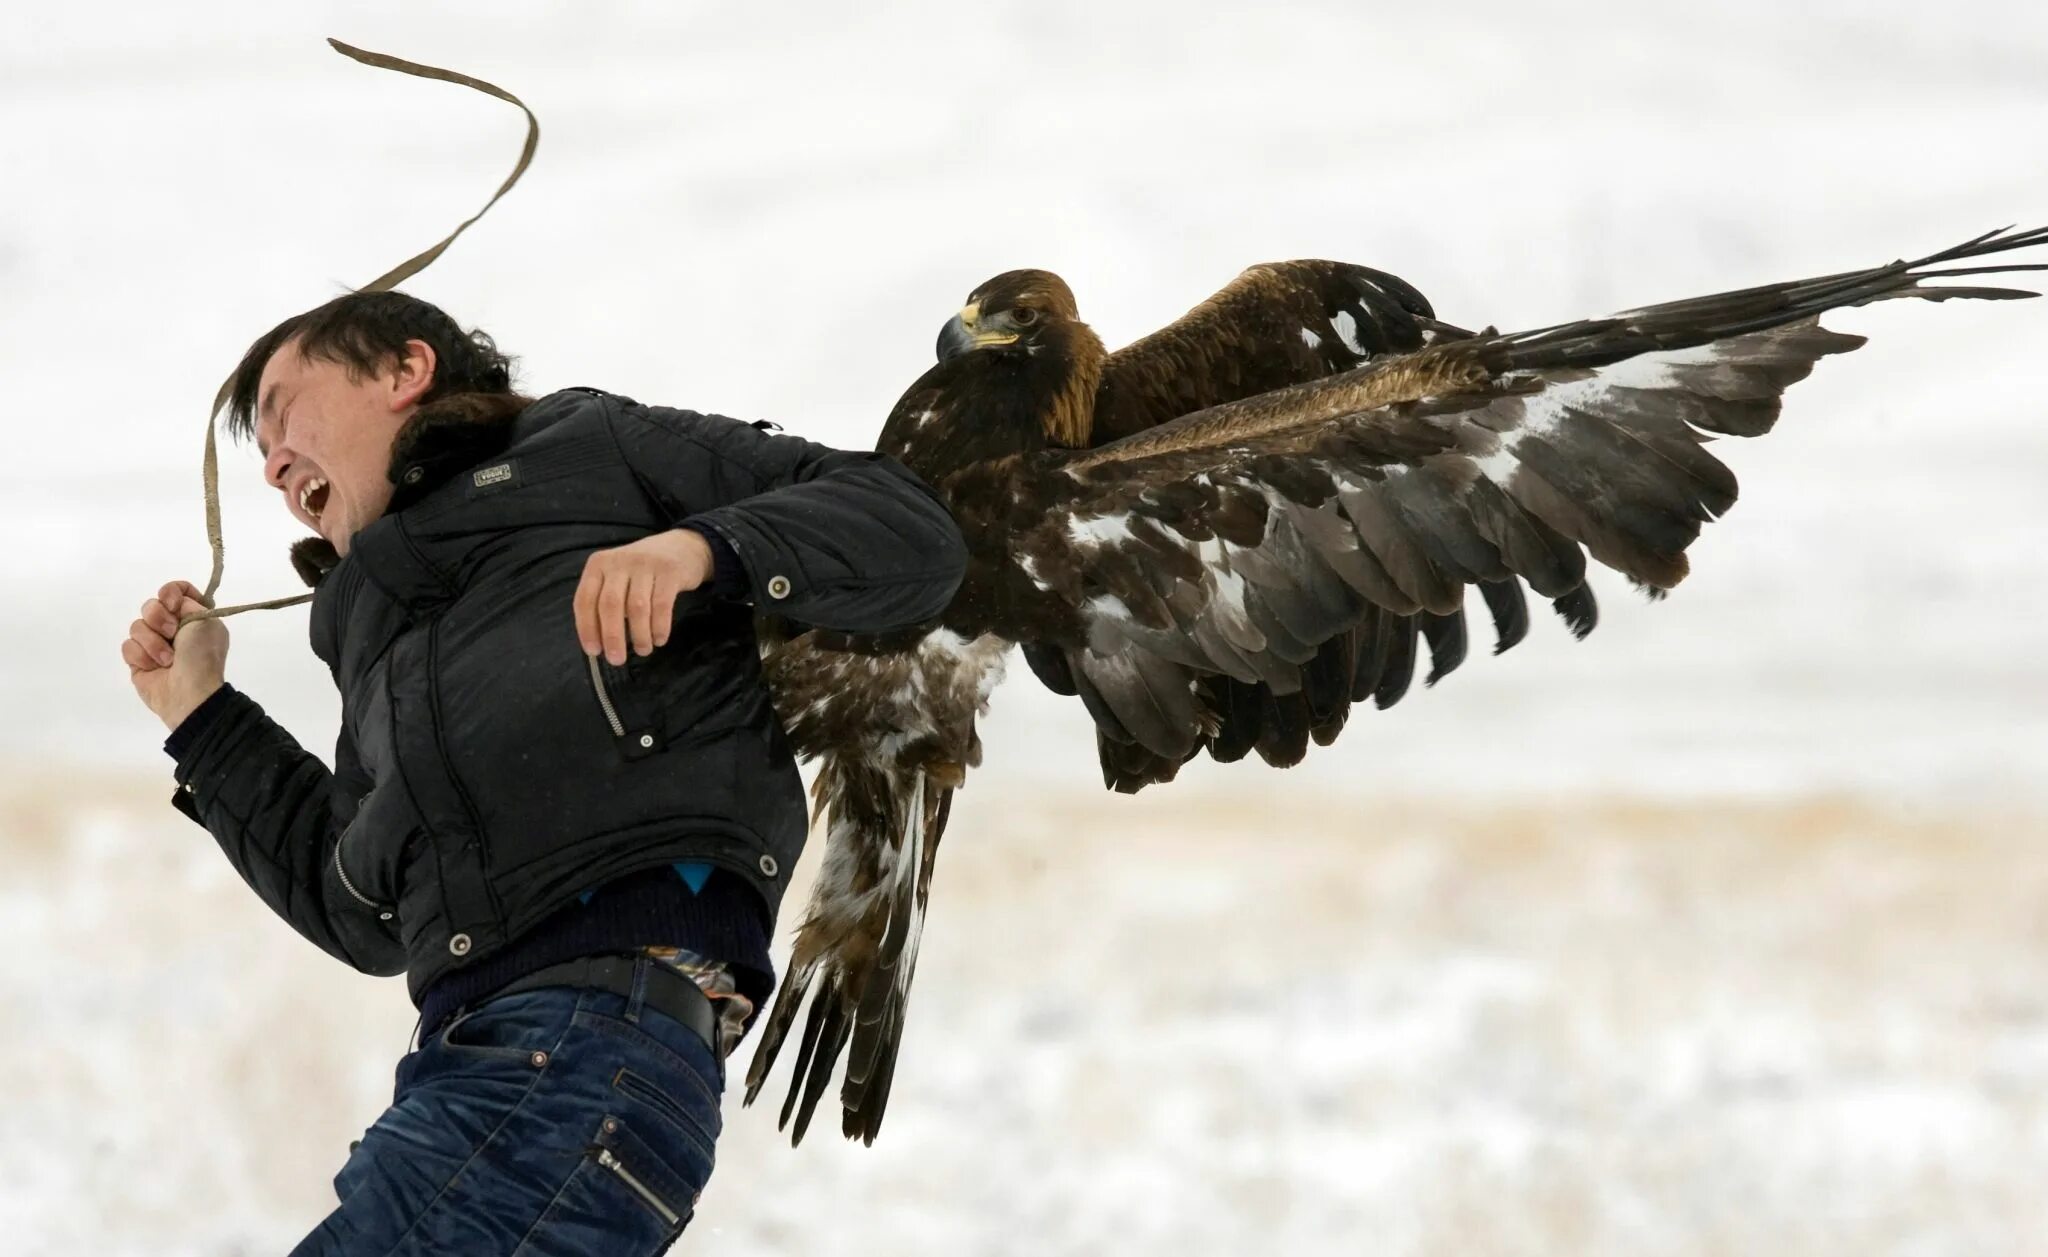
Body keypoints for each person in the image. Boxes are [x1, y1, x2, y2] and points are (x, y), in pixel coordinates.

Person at [120, 290, 968, 1254]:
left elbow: (910, 528)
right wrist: (202, 717)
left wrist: (706, 548)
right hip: (484, 1068)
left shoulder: (590, 445)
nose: (272, 464)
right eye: (261, 452)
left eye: (285, 412)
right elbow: (357, 905)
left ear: (406, 371)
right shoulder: (372, 628)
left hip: (587, 1039)